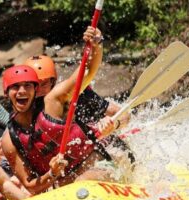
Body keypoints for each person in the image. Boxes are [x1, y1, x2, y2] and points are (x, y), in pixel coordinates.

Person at [1, 27, 122, 195]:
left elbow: (86, 72)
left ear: (35, 90)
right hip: (61, 183)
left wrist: (96, 45)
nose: (21, 91)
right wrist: (52, 173)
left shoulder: (53, 102)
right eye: (15, 87)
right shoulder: (9, 139)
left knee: (81, 183)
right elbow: (30, 184)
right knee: (68, 188)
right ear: (6, 93)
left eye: (27, 86)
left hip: (95, 165)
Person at [24, 49, 134, 181]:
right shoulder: (25, 115)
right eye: (34, 85)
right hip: (73, 167)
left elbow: (124, 115)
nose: (39, 90)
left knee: (83, 180)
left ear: (53, 82)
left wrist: (113, 124)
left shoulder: (79, 95)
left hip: (108, 154)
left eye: (44, 84)